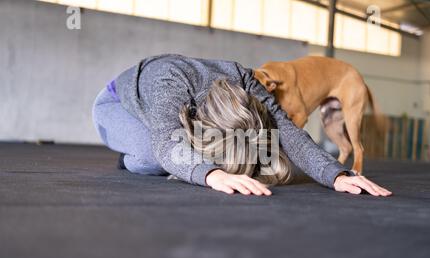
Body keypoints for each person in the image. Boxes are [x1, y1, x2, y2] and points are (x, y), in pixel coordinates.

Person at [92, 54, 391, 197]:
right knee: (155, 155)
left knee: (185, 153)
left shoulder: (246, 79)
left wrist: (334, 174)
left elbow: (286, 129)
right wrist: (212, 173)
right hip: (117, 104)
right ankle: (126, 157)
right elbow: (167, 143)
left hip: (173, 109)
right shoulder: (169, 84)